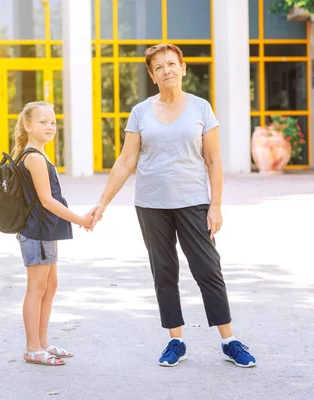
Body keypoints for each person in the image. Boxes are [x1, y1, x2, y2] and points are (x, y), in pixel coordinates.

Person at [92, 44, 256, 368]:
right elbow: (126, 161)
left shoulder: (201, 108)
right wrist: (102, 203)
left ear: (183, 68)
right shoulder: (140, 112)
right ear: (152, 76)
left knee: (208, 269)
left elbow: (213, 159)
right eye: (159, 67)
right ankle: (175, 340)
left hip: (194, 202)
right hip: (151, 205)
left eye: (171, 64)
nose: (166, 70)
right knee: (164, 272)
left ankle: (229, 340)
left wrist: (217, 206)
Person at [13, 101, 95, 366]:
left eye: (53, 122)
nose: (49, 126)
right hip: (36, 232)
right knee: (36, 288)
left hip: (46, 231)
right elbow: (47, 201)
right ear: (27, 126)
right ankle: (32, 347)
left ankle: (43, 342)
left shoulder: (39, 154)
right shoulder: (34, 157)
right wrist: (81, 219)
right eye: (42, 122)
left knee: (50, 286)